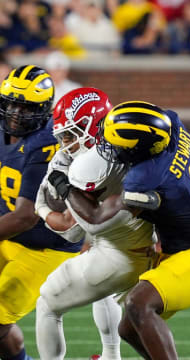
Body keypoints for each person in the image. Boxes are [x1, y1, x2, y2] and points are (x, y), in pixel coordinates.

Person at [46, 100, 190, 360]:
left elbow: (95, 218)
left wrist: (63, 183)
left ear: (138, 152)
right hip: (189, 244)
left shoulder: (145, 178)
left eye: (114, 145)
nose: (106, 146)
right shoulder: (173, 127)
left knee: (138, 304)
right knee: (129, 329)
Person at [0, 65, 83, 360]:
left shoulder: (46, 141)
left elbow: (26, 216)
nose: (15, 112)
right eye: (10, 103)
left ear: (44, 109)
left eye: (25, 107)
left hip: (44, 246)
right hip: (6, 233)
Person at [35, 87, 125, 360]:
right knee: (104, 288)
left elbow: (72, 230)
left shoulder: (96, 164)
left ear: (95, 127)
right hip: (136, 246)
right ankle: (111, 355)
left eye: (71, 134)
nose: (66, 142)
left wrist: (43, 208)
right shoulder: (121, 149)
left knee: (47, 304)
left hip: (127, 251)